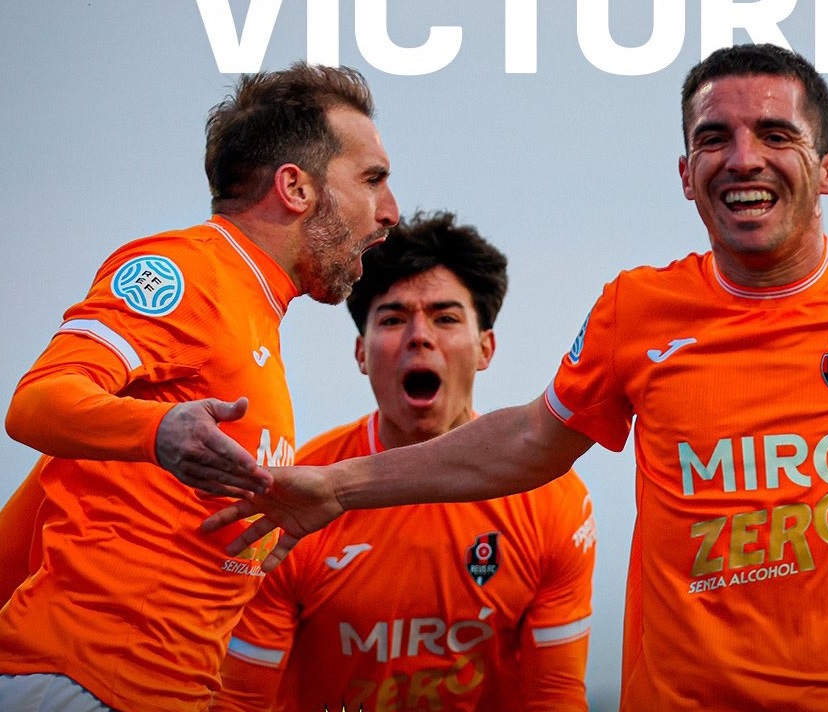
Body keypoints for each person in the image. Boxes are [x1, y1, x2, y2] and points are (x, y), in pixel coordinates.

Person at [204, 43, 828, 711]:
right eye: (713, 138)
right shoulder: (637, 310)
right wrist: (338, 487)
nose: (742, 158)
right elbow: (527, 440)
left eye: (774, 134)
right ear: (686, 174)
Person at [0, 63, 399, 712]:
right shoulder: (189, 270)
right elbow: (39, 402)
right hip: (82, 684)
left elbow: (59, 476)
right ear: (296, 188)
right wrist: (159, 432)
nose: (390, 212)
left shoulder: (254, 312)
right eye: (372, 179)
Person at [209, 211, 596, 712]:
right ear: (361, 353)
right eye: (392, 318)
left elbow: (555, 698)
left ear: (485, 348)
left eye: (446, 317)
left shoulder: (553, 503)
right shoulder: (292, 499)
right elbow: (239, 703)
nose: (419, 335)